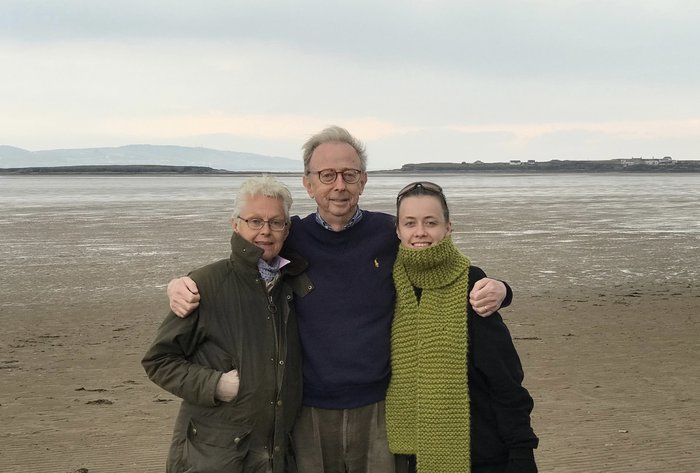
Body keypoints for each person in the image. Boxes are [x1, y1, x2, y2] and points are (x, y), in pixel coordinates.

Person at [166, 126, 513, 473]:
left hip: (380, 407)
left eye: (349, 174)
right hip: (307, 410)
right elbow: (241, 268)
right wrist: (183, 283)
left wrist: (499, 288)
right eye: (327, 175)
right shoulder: (290, 236)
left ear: (363, 180)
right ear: (308, 183)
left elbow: (443, 265)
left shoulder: (390, 233)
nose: (339, 186)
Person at [142, 176, 311, 473]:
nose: (265, 232)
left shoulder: (293, 284)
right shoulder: (206, 284)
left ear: (287, 228)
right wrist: (215, 385)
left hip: (276, 454)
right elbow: (159, 361)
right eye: (255, 221)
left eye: (276, 222)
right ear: (236, 224)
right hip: (214, 456)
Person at [387, 181, 538, 473]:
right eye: (410, 223)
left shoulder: (473, 284)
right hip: (409, 455)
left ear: (448, 227)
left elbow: (505, 376)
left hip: (480, 455)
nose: (420, 232)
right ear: (397, 230)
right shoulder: (388, 285)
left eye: (431, 222)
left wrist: (522, 449)